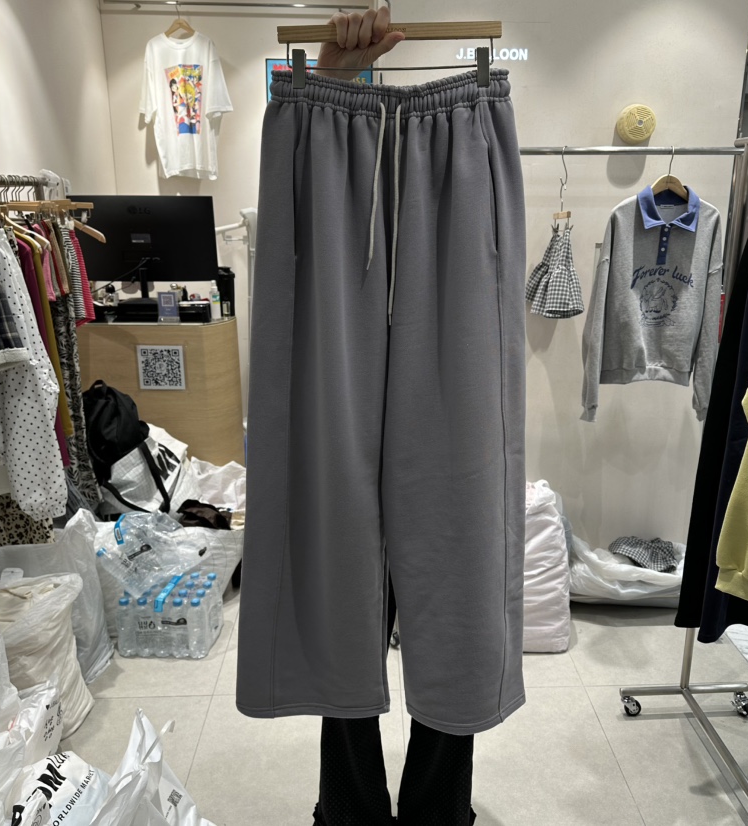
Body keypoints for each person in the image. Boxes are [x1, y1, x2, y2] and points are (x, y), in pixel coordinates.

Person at [308, 12, 478, 826]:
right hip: (340, 346)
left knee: (454, 601)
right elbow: (316, 180)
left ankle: (435, 812)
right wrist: (331, 79)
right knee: (346, 596)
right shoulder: (324, 148)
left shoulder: (467, 150)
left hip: (447, 360)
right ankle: (352, 812)